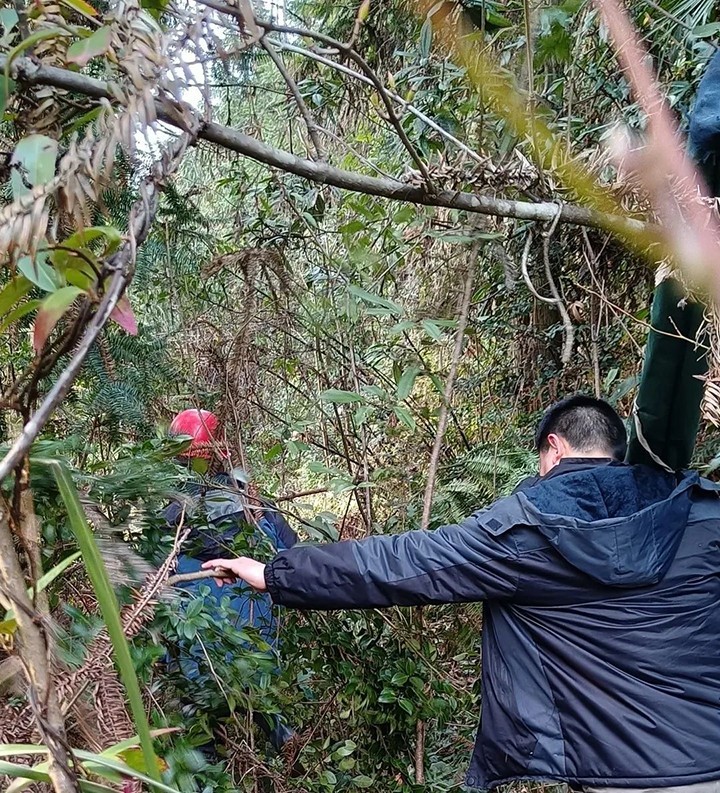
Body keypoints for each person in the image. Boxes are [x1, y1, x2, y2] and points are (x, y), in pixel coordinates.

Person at [201, 395, 720, 792]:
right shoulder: (700, 510)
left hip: (624, 770)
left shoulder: (524, 532)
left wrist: (275, 573)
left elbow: (400, 564)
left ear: (554, 448)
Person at [164, 408, 298, 754]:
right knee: (266, 700)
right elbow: (292, 558)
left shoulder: (165, 523)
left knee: (198, 728)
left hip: (201, 661)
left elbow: (149, 593)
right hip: (257, 652)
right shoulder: (255, 507)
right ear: (222, 452)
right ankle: (284, 744)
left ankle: (208, 772)